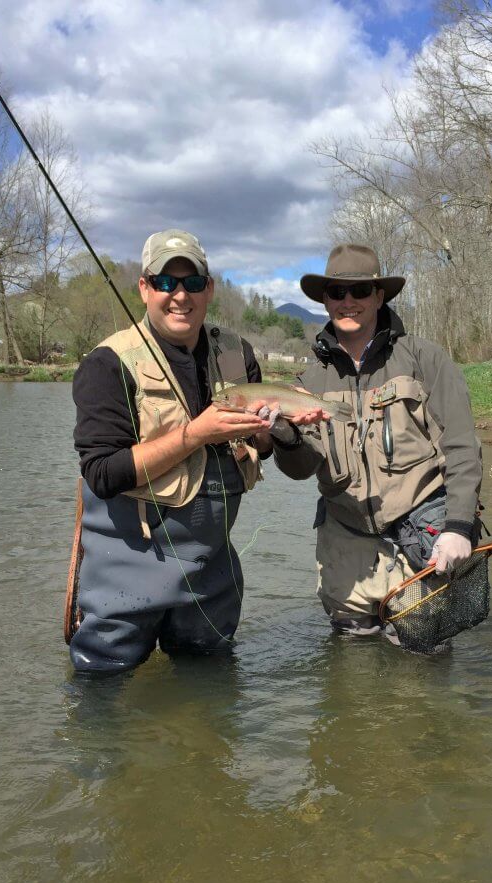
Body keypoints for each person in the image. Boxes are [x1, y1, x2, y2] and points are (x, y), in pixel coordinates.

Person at [70, 228, 306, 672]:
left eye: (193, 282)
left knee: (209, 699)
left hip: (212, 577)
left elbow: (262, 449)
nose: (180, 295)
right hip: (124, 573)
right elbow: (102, 473)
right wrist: (196, 434)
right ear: (144, 288)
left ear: (209, 289)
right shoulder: (107, 364)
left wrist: (274, 428)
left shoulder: (237, 354)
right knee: (100, 697)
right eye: (165, 282)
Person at [271, 243, 483, 644]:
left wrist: (458, 525)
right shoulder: (307, 383)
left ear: (379, 295)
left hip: (421, 542)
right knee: (352, 673)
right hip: (345, 549)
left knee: (422, 672)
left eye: (359, 291)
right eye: (336, 292)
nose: (347, 301)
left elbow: (463, 448)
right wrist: (283, 436)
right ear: (325, 300)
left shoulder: (424, 359)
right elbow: (300, 470)